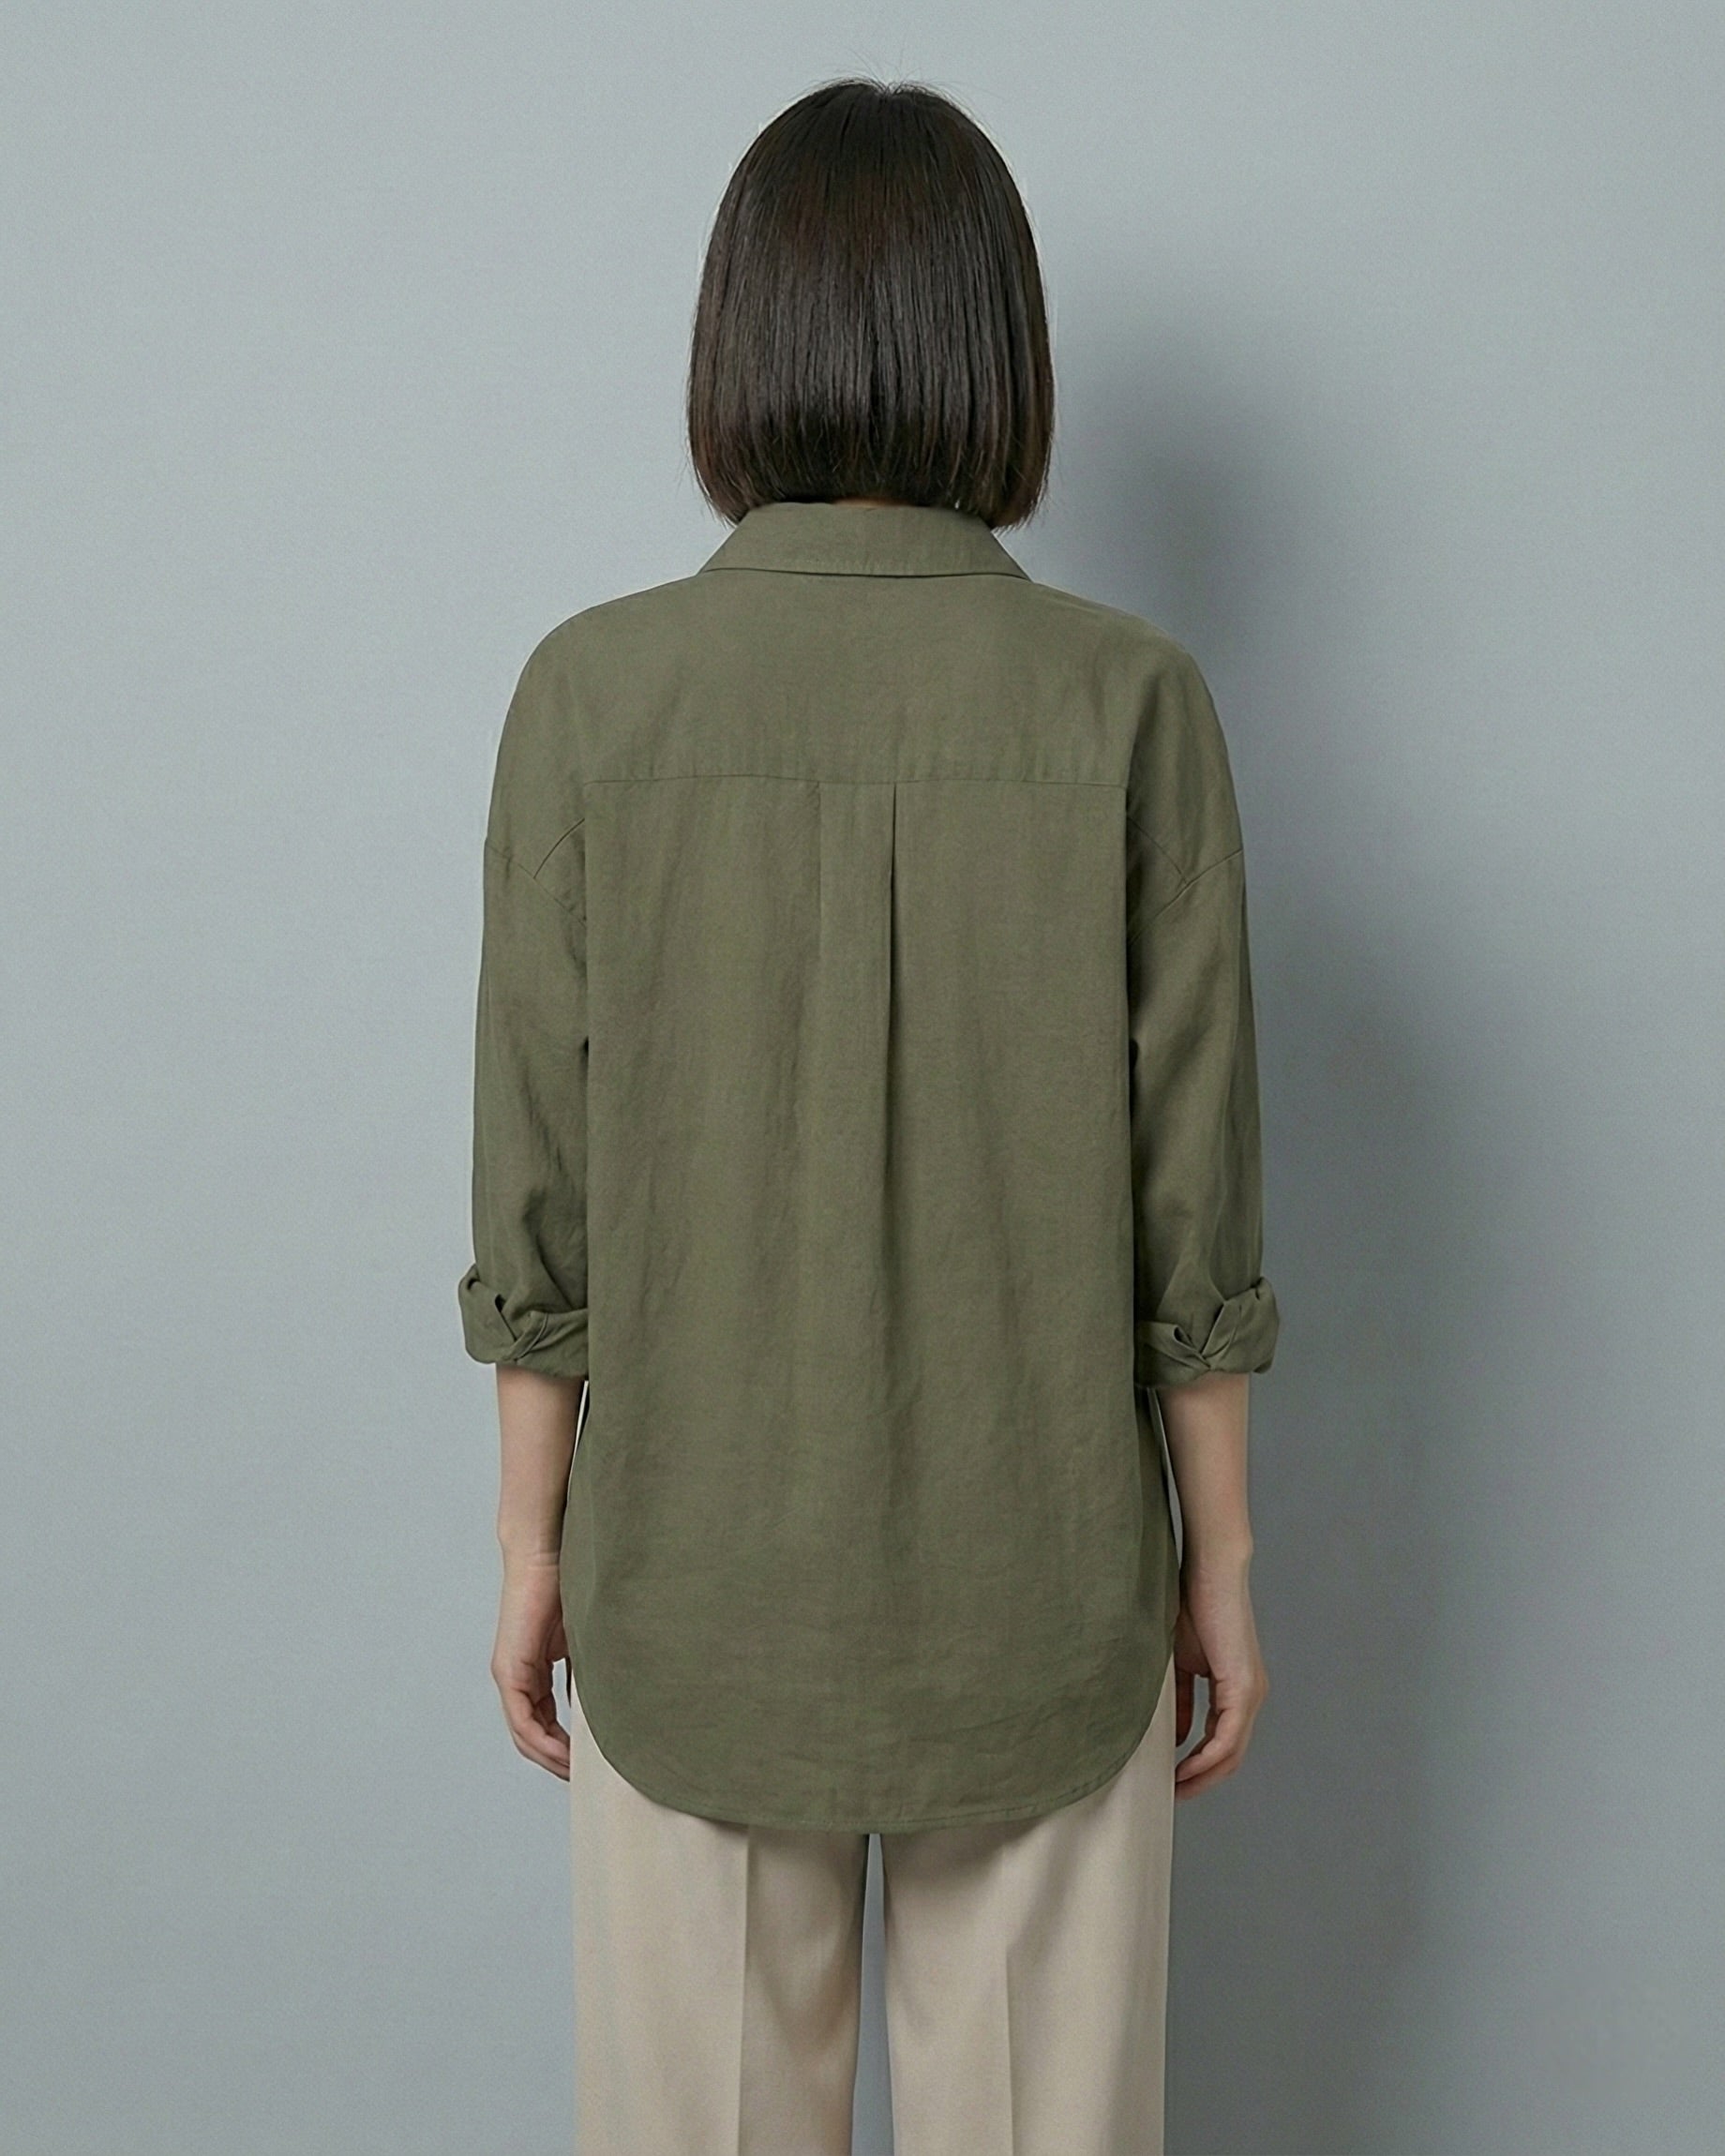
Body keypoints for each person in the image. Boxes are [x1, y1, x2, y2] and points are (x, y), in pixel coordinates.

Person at [458, 74, 1280, 2156]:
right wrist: (1222, 1560)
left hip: (689, 1585)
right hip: (1049, 1585)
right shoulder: (1129, 703)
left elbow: (536, 1187)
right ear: (998, 354)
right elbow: (1193, 1201)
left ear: (736, 344)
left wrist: (531, 1542)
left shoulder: (592, 697)